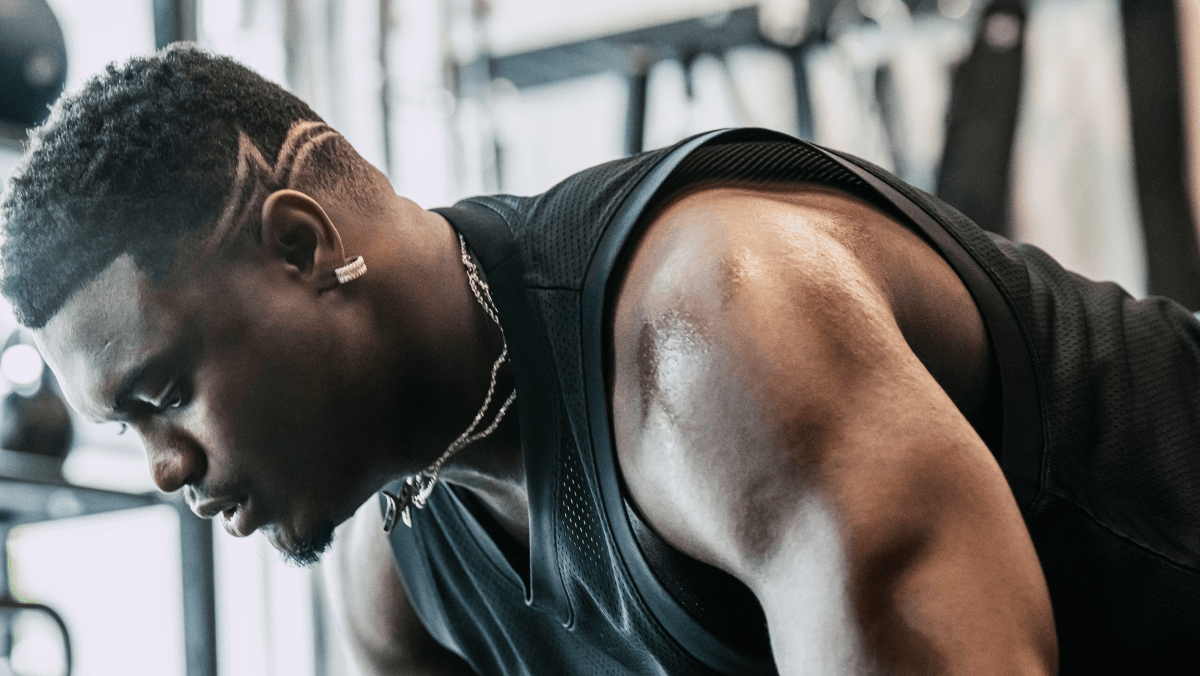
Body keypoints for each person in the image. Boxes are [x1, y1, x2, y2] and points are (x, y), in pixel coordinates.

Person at [2, 46, 1197, 676]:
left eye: (162, 395)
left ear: (301, 243)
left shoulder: (714, 333)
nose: (165, 469)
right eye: (127, 428)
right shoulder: (402, 580)